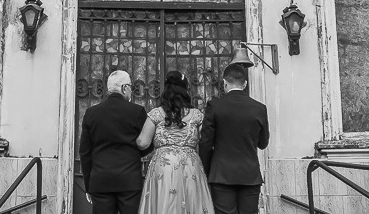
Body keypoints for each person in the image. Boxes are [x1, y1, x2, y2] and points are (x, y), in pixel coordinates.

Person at [135, 71, 214, 214]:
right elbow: (206, 140)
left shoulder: (157, 114)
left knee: (164, 204)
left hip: (163, 166)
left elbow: (142, 142)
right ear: (186, 91)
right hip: (190, 166)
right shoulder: (196, 115)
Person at [198, 64, 269, 214]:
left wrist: (207, 169)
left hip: (221, 174)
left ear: (224, 83)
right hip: (250, 175)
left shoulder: (215, 106)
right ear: (245, 84)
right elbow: (263, 143)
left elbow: (205, 142)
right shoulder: (259, 108)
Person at [79, 71, 151, 214]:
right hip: (129, 180)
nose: (131, 90)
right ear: (124, 88)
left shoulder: (91, 113)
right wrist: (134, 153)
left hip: (100, 181)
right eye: (130, 86)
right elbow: (147, 143)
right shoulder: (137, 112)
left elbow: (85, 152)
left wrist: (88, 185)